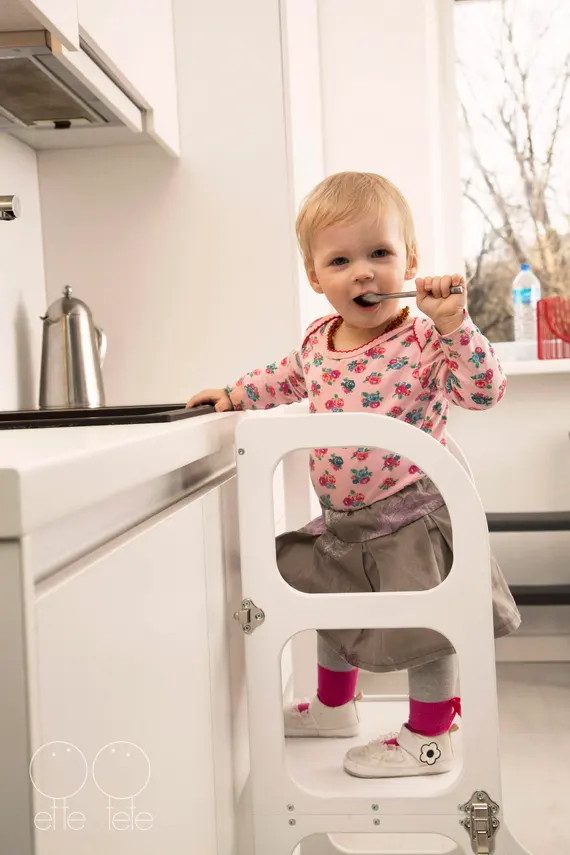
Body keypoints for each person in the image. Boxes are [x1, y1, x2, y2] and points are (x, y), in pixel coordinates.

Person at [187, 171, 521, 779]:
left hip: (413, 515)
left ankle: (430, 735)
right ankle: (334, 707)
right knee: (325, 599)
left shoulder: (425, 338)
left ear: (410, 262)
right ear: (316, 278)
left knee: (429, 629)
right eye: (340, 260)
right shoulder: (319, 341)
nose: (363, 272)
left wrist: (455, 325)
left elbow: (486, 391)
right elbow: (285, 377)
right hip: (345, 521)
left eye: (380, 254)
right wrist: (233, 395)